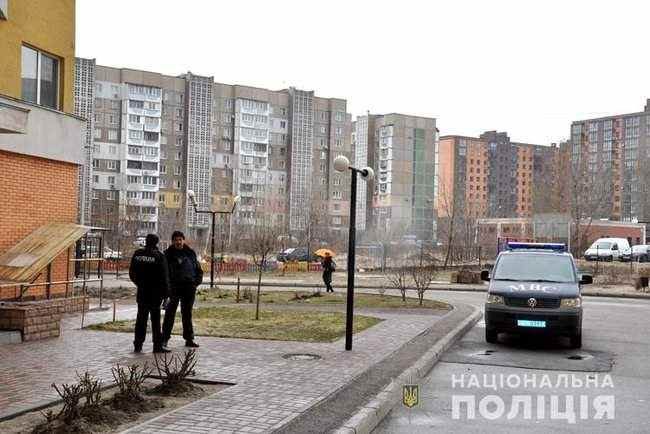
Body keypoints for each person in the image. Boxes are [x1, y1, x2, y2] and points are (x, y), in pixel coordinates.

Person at [128, 233, 170, 353]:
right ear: (156, 242)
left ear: (146, 241)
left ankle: (138, 344)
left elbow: (132, 273)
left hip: (142, 292)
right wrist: (166, 294)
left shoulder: (138, 254)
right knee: (155, 321)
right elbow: (164, 277)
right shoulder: (159, 256)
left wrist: (140, 284)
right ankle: (157, 345)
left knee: (141, 319)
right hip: (155, 293)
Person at [162, 231, 203, 348]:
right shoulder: (167, 254)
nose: (178, 242)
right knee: (169, 314)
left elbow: (198, 269)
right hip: (173, 289)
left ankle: (189, 339)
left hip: (189, 288)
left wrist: (196, 283)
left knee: (187, 314)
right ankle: (164, 339)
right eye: (176, 240)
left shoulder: (190, 253)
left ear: (183, 240)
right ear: (172, 241)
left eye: (180, 239)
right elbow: (164, 273)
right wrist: (167, 287)